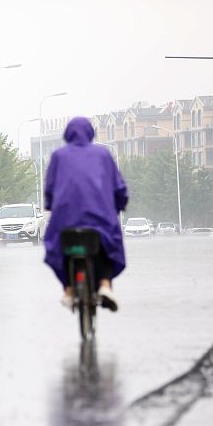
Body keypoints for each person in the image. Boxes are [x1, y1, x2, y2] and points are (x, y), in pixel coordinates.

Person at [43, 116, 128, 312]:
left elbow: (50, 189)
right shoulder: (103, 155)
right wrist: (119, 205)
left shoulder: (58, 156)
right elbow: (119, 187)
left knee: (59, 243)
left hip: (66, 219)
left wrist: (51, 205)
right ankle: (105, 285)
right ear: (91, 133)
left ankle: (70, 289)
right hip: (99, 217)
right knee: (109, 243)